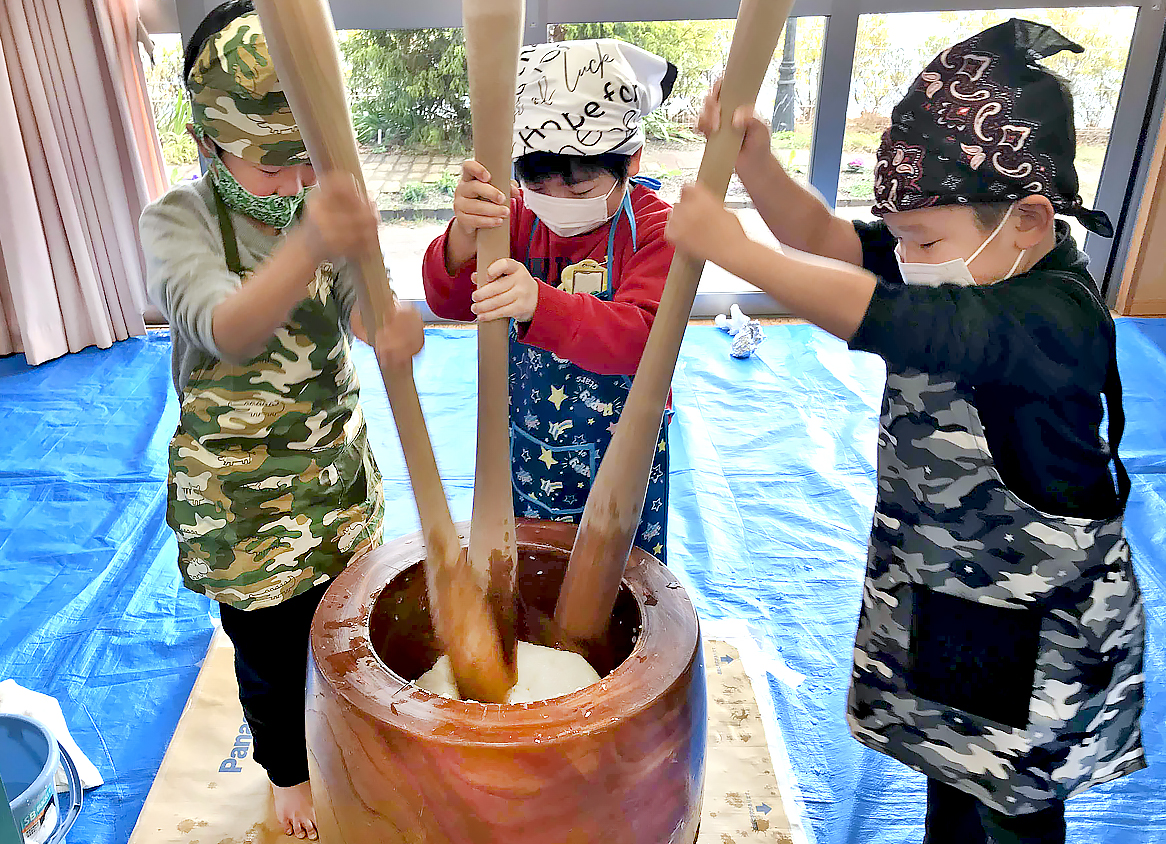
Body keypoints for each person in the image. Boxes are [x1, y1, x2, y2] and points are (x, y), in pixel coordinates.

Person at [667, 20, 1145, 843]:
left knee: (1008, 801)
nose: (909, 253)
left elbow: (888, 318)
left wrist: (737, 256)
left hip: (1028, 612)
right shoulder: (968, 248)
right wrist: (756, 165)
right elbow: (829, 244)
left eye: (925, 238)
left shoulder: (1054, 316)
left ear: (1030, 219)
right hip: (949, 586)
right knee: (950, 764)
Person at [139, 2, 423, 838]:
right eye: (268, 167)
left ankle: (356, 728)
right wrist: (308, 242)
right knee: (269, 653)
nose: (293, 186)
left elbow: (358, 307)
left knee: (351, 622)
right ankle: (288, 768)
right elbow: (225, 328)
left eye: (304, 162)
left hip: (332, 470)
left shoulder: (312, 207)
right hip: (243, 502)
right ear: (208, 144)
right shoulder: (179, 222)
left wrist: (389, 322)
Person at [423, 39, 679, 562]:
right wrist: (463, 239)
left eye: (581, 189)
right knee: (534, 564)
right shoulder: (516, 215)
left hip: (623, 453)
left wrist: (542, 305)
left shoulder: (656, 230)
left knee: (621, 575)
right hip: (531, 444)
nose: (556, 205)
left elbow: (645, 340)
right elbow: (447, 301)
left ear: (630, 160)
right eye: (537, 185)